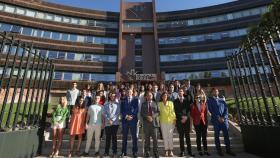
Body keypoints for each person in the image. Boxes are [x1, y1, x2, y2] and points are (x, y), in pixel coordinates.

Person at [207, 88, 236, 156]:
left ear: (218, 92)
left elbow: (226, 109)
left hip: (224, 120)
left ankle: (228, 150)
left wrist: (223, 117)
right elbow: (211, 111)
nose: (216, 92)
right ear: (212, 93)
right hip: (216, 121)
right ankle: (219, 151)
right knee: (217, 136)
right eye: (214, 91)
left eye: (217, 91)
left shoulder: (222, 100)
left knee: (226, 135)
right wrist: (218, 118)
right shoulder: (210, 100)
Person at [173, 88, 194, 157]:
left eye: (181, 91)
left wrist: (186, 117)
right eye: (179, 91)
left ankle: (189, 151)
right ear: (178, 93)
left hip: (186, 121)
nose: (180, 92)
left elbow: (189, 110)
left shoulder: (187, 100)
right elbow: (175, 111)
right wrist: (182, 117)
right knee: (181, 137)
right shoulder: (175, 101)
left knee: (187, 137)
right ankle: (182, 151)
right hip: (179, 121)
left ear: (183, 92)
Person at [120, 89, 139, 158]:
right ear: (126, 93)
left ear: (132, 93)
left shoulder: (136, 100)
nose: (129, 93)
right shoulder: (123, 99)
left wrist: (132, 116)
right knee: (124, 137)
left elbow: (137, 109)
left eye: (130, 92)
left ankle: (135, 152)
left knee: (134, 137)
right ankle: (123, 152)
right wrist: (126, 116)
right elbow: (121, 109)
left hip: (133, 120)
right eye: (128, 92)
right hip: (125, 121)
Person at [141, 91, 159, 158]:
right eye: (148, 95)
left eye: (150, 95)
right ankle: (147, 152)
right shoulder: (143, 104)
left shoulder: (155, 103)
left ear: (152, 96)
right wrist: (147, 117)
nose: (149, 96)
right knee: (147, 139)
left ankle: (156, 152)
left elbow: (158, 112)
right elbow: (142, 113)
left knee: (155, 139)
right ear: (146, 97)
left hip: (154, 124)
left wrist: (152, 117)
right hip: (146, 124)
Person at [159, 92, 176, 157]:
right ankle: (166, 150)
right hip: (163, 122)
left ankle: (171, 150)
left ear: (167, 96)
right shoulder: (159, 104)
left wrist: (174, 119)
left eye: (166, 95)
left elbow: (173, 111)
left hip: (170, 121)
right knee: (165, 136)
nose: (165, 97)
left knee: (170, 136)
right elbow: (158, 113)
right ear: (162, 97)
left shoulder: (171, 103)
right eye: (163, 96)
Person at [103, 92, 120, 157]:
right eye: (111, 96)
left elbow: (117, 113)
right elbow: (104, 113)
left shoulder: (117, 104)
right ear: (109, 96)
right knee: (108, 138)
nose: (112, 97)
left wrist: (112, 120)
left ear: (115, 97)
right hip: (107, 123)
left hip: (115, 123)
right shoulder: (106, 104)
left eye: (114, 96)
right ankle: (106, 152)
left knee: (114, 138)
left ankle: (114, 152)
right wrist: (109, 120)